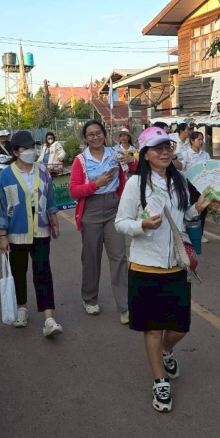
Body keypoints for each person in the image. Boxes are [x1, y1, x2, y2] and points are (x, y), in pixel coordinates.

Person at [115, 126, 210, 413]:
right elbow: (121, 222)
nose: (165, 152)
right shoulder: (135, 184)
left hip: (177, 265)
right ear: (145, 154)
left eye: (168, 147)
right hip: (146, 266)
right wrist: (142, 225)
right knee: (153, 327)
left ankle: (167, 350)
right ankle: (160, 381)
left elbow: (182, 217)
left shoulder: (178, 179)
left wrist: (198, 208)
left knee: (181, 326)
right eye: (158, 148)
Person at [0, 130, 63, 338]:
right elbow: (3, 207)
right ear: (16, 152)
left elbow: (50, 198)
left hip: (41, 228)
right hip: (16, 230)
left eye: (33, 147)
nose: (31, 151)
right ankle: (22, 308)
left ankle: (49, 318)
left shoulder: (42, 171)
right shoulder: (6, 175)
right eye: (26, 148)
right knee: (19, 271)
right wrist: (2, 235)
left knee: (43, 272)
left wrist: (54, 218)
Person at [70, 120, 137, 323]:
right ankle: (90, 299)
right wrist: (95, 184)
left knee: (119, 257)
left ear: (104, 134)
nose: (95, 137)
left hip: (114, 208)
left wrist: (132, 161)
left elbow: (134, 170)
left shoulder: (116, 154)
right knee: (91, 257)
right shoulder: (80, 160)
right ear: (85, 138)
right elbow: (73, 191)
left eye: (98, 133)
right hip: (91, 210)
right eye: (90, 134)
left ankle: (125, 307)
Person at [182, 130, 211, 243]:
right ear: (192, 141)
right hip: (191, 185)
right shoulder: (186, 154)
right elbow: (181, 168)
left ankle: (200, 234)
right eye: (199, 139)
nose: (201, 141)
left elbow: (209, 168)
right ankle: (188, 233)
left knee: (203, 209)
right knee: (192, 208)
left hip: (203, 185)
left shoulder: (205, 155)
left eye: (202, 139)